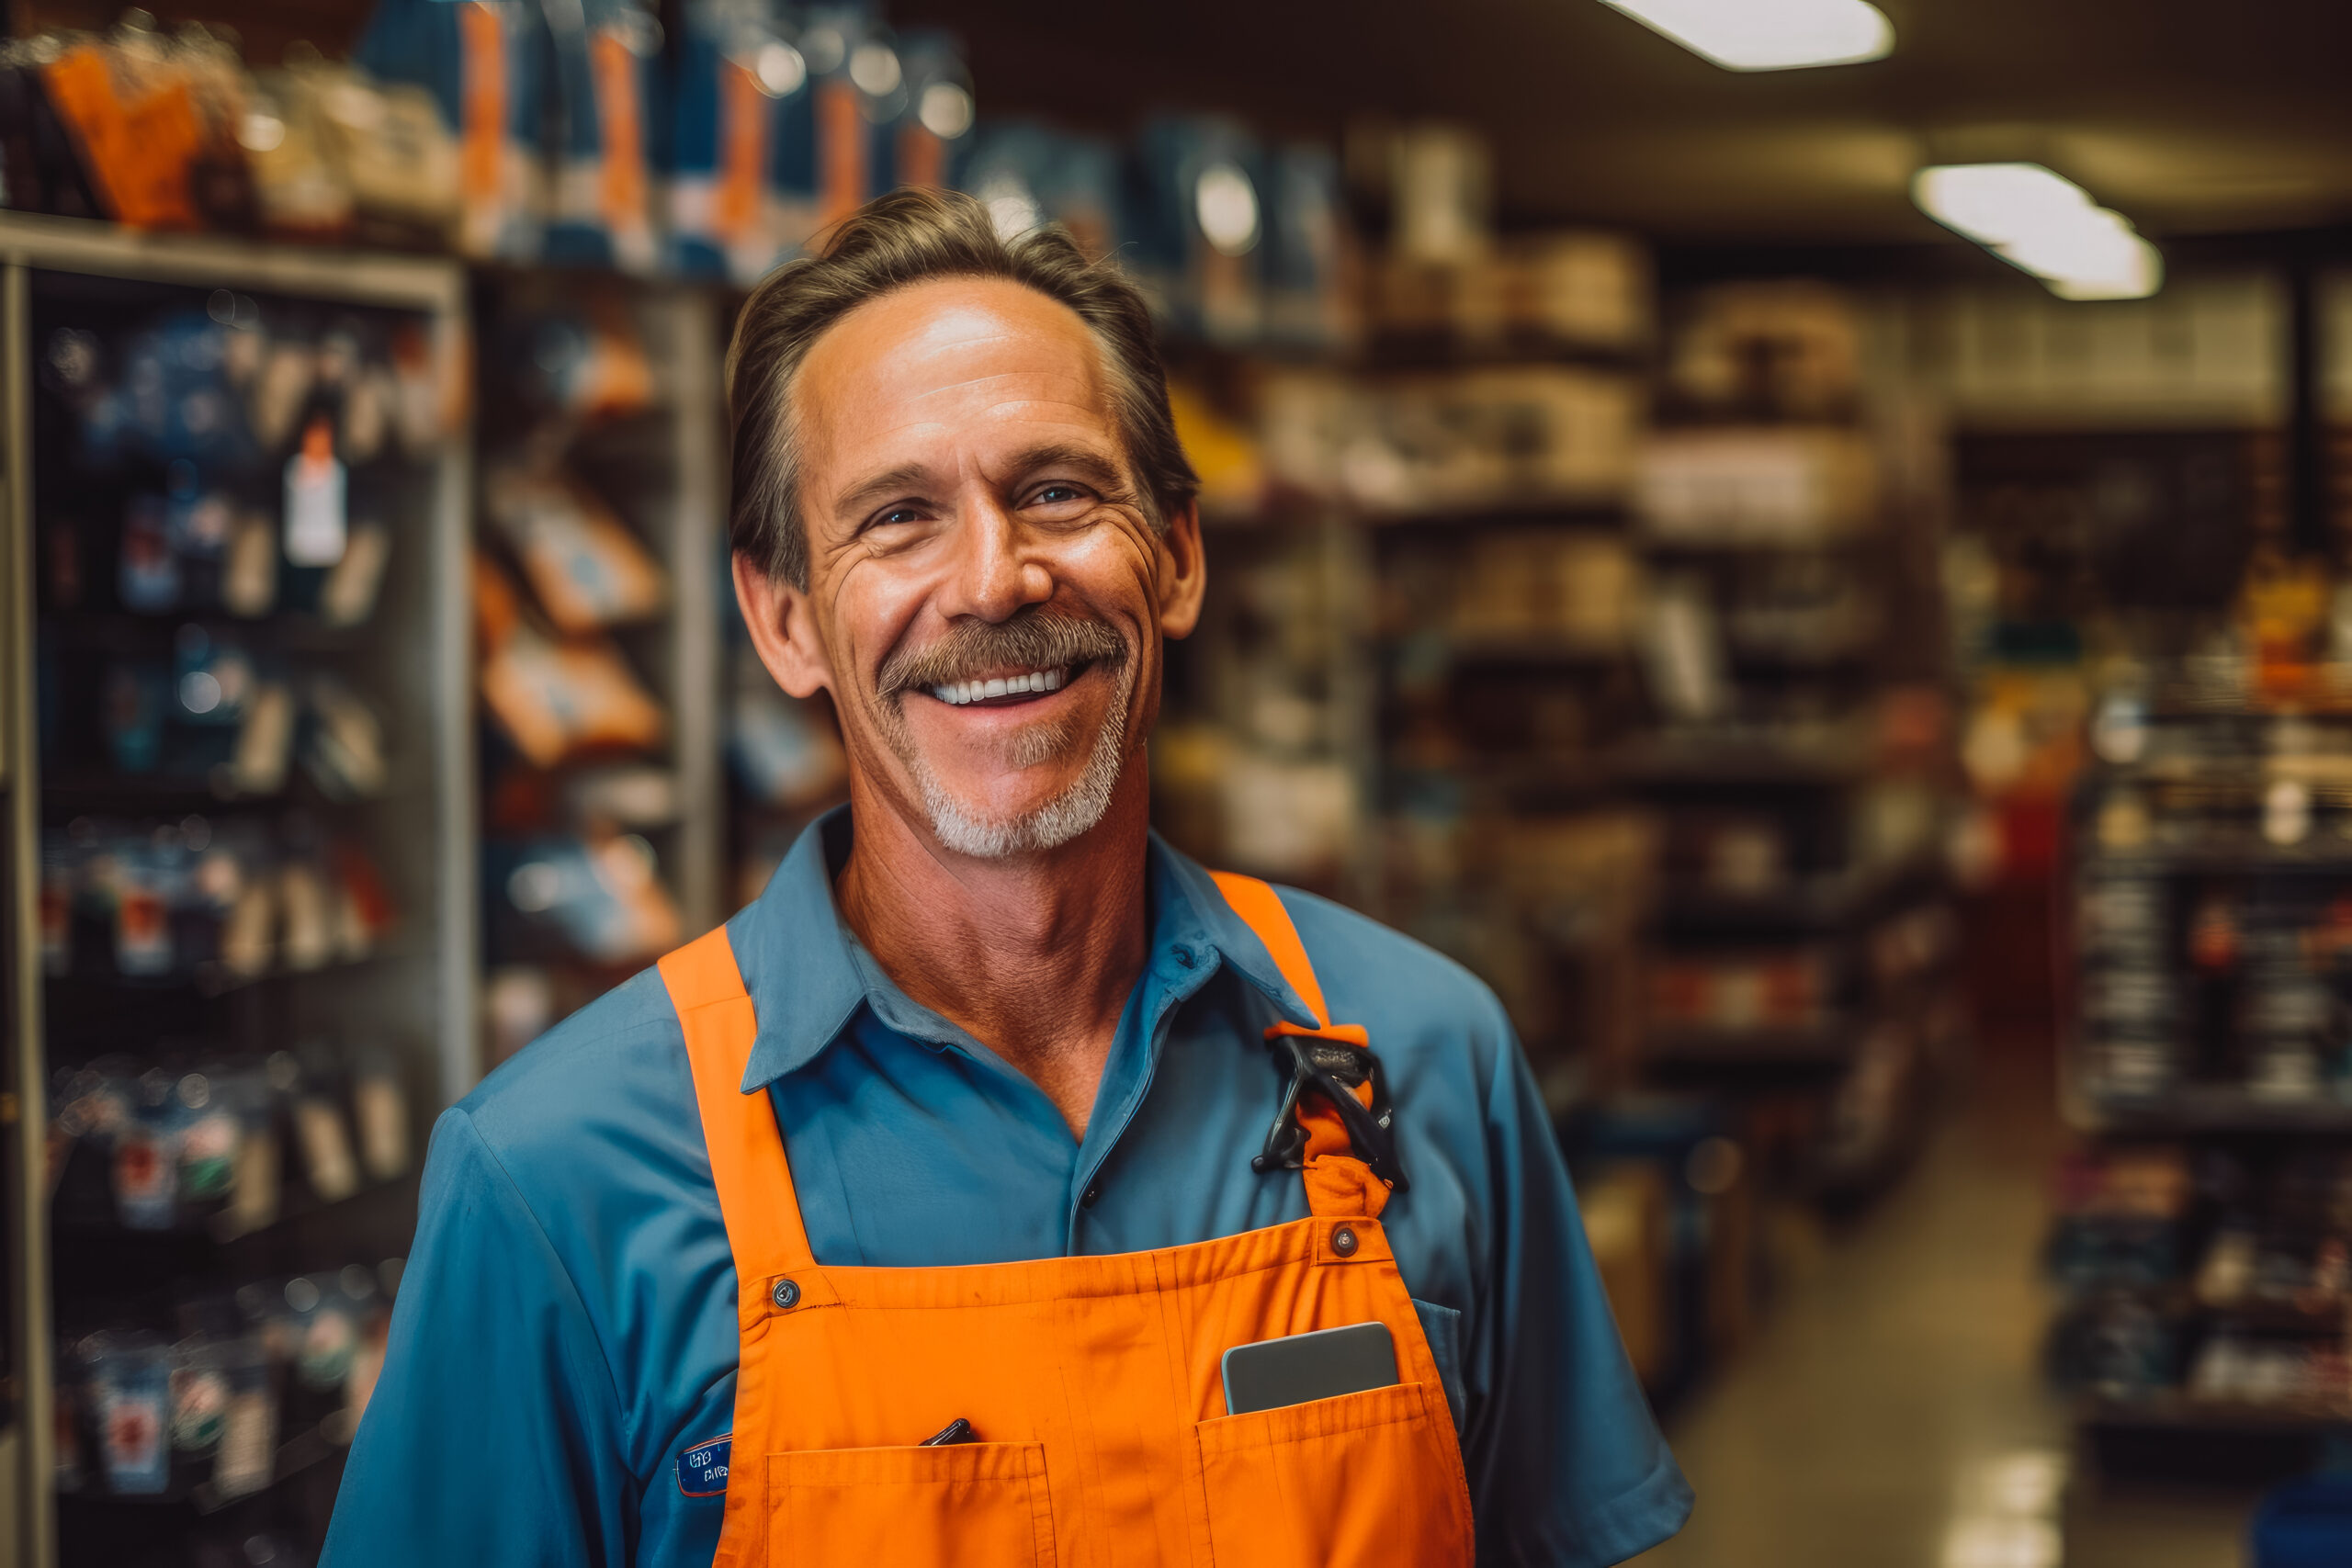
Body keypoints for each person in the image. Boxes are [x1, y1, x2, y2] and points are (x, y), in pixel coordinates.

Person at [322, 187, 1690, 1567]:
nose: (996, 579)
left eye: (1056, 491)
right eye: (899, 517)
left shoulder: (1423, 1056)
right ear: (785, 618)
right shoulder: (559, 1178)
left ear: (1179, 555)